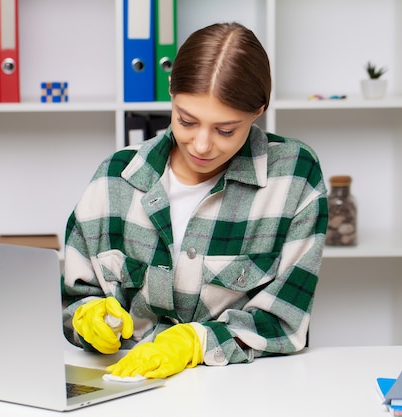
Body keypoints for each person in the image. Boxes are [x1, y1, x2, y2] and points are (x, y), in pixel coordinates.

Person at [61, 22, 328, 379]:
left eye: (225, 130)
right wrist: (87, 317)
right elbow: (76, 300)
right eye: (187, 121)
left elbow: (285, 321)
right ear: (171, 90)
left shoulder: (295, 176)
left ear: (259, 109)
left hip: (241, 392)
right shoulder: (115, 176)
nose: (202, 145)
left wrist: (195, 342)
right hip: (126, 388)